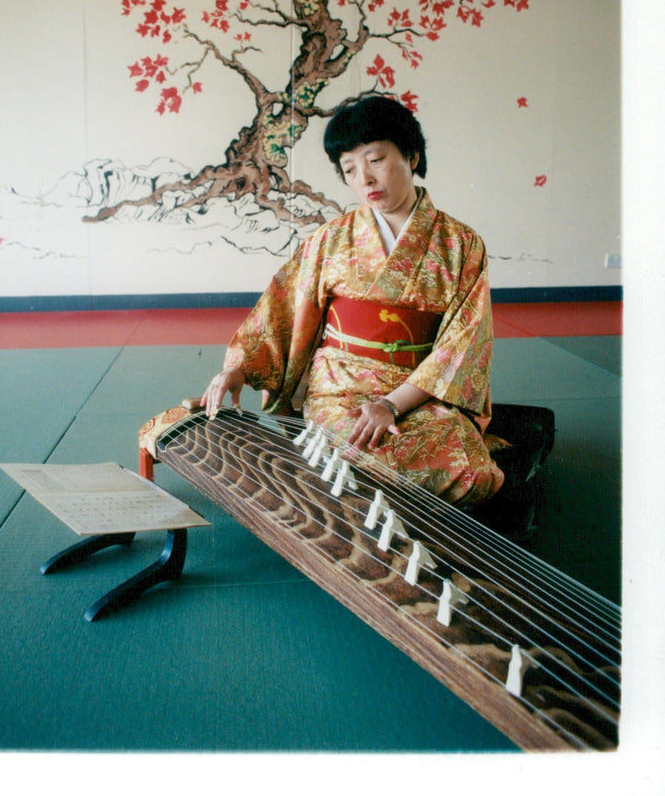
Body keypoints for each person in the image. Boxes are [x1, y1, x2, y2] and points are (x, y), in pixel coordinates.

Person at [200, 93, 504, 508]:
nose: (365, 179)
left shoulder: (460, 244)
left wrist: (391, 405)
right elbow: (282, 309)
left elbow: (461, 345)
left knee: (470, 470)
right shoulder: (330, 239)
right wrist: (239, 368)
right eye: (349, 169)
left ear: (411, 157)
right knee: (358, 454)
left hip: (419, 391)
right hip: (341, 388)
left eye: (376, 159)